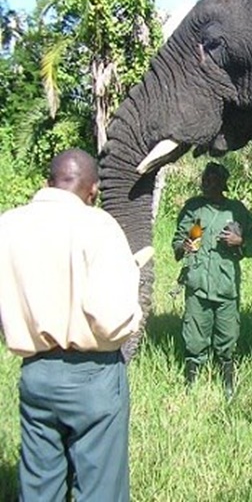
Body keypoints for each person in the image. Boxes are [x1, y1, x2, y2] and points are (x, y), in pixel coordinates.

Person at [0, 148, 148, 502]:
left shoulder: (8, 224)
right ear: (93, 190)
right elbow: (112, 320)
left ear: (49, 182)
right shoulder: (97, 226)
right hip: (92, 376)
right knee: (100, 489)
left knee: (38, 488)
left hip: (36, 373)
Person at [172, 161, 252, 400]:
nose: (206, 183)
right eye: (204, 179)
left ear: (223, 183)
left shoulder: (237, 210)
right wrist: (186, 245)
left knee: (227, 335)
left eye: (212, 180)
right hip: (197, 283)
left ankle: (227, 380)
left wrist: (239, 242)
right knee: (194, 336)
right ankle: (191, 379)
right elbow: (178, 243)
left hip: (225, 285)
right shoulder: (194, 209)